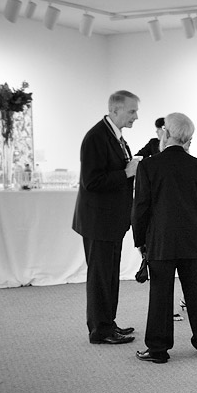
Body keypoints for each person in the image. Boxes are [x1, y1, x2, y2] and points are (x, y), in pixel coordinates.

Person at [131, 113, 197, 363]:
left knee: (160, 294)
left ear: (166, 134)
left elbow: (141, 208)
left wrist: (140, 241)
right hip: (191, 239)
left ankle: (158, 349)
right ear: (188, 138)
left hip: (161, 239)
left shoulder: (148, 166)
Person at [72, 90, 142, 345]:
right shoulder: (96, 137)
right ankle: (100, 331)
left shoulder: (115, 136)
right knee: (101, 277)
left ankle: (108, 323)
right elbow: (92, 182)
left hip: (112, 220)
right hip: (98, 221)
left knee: (110, 275)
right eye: (132, 111)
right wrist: (127, 173)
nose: (136, 116)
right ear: (115, 110)